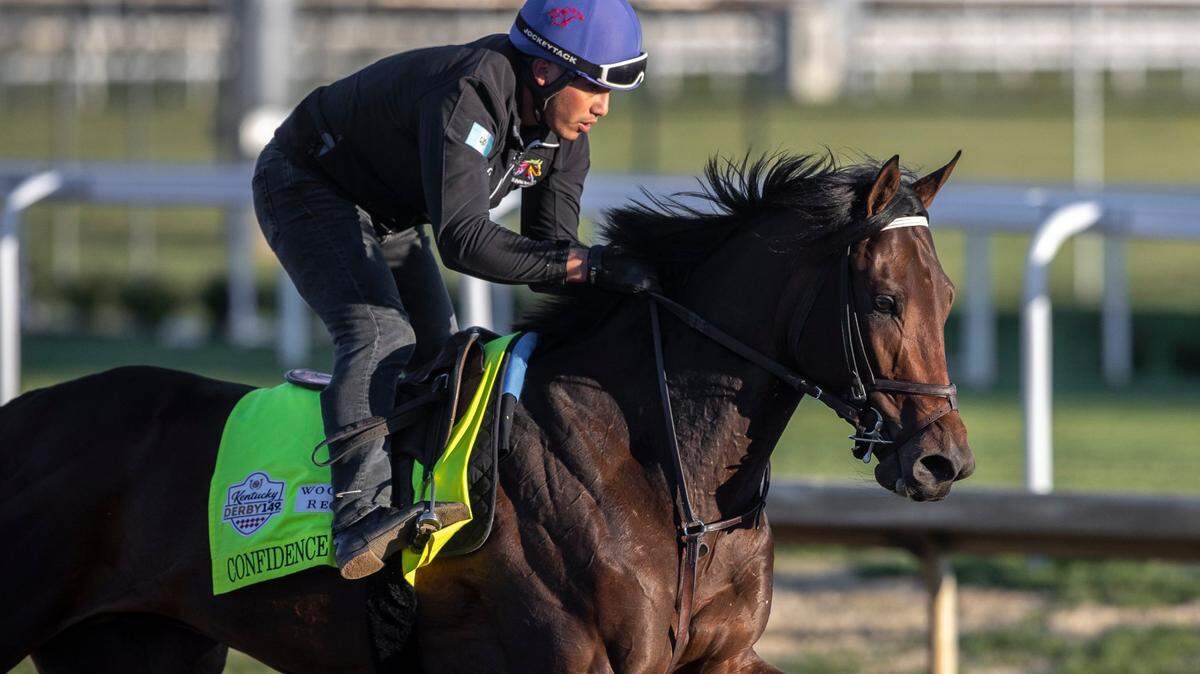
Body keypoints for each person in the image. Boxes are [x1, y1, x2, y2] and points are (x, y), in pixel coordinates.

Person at [251, 0, 657, 580]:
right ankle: (356, 517)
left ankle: (414, 494)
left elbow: (550, 255)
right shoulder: (470, 92)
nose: (604, 107)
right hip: (306, 183)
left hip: (384, 211)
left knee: (438, 352)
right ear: (544, 71)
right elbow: (464, 242)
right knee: (379, 335)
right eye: (594, 87)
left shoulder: (565, 131)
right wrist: (589, 267)